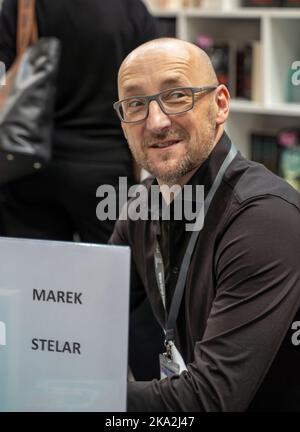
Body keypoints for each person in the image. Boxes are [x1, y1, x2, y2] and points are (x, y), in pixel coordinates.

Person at [109, 37, 300, 411]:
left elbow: (210, 401)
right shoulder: (141, 205)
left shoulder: (264, 218)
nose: (156, 121)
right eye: (135, 103)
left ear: (220, 104)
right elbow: (89, 316)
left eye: (177, 95)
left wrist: (80, 396)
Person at [0, 0, 163, 380]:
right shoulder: (130, 9)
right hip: (106, 170)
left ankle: (33, 382)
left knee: (33, 290)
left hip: (30, 163)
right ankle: (112, 385)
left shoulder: (25, 3)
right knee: (115, 292)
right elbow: (151, 76)